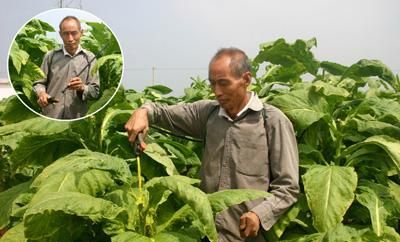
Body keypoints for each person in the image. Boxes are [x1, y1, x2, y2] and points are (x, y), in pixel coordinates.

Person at [125, 48, 299, 242]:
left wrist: (259, 214)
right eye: (213, 83)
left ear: (246, 79)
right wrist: (143, 112)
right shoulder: (208, 114)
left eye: (224, 83)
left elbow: (288, 187)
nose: (217, 92)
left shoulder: (272, 121)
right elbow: (162, 113)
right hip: (206, 234)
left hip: (247, 237)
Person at [33, 15, 100, 119]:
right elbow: (39, 83)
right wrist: (42, 93)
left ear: (81, 33)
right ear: (60, 34)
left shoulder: (90, 58)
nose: (70, 39)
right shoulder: (50, 57)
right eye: (66, 34)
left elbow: (95, 92)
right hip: (51, 116)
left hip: (77, 118)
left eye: (74, 33)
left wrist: (82, 88)